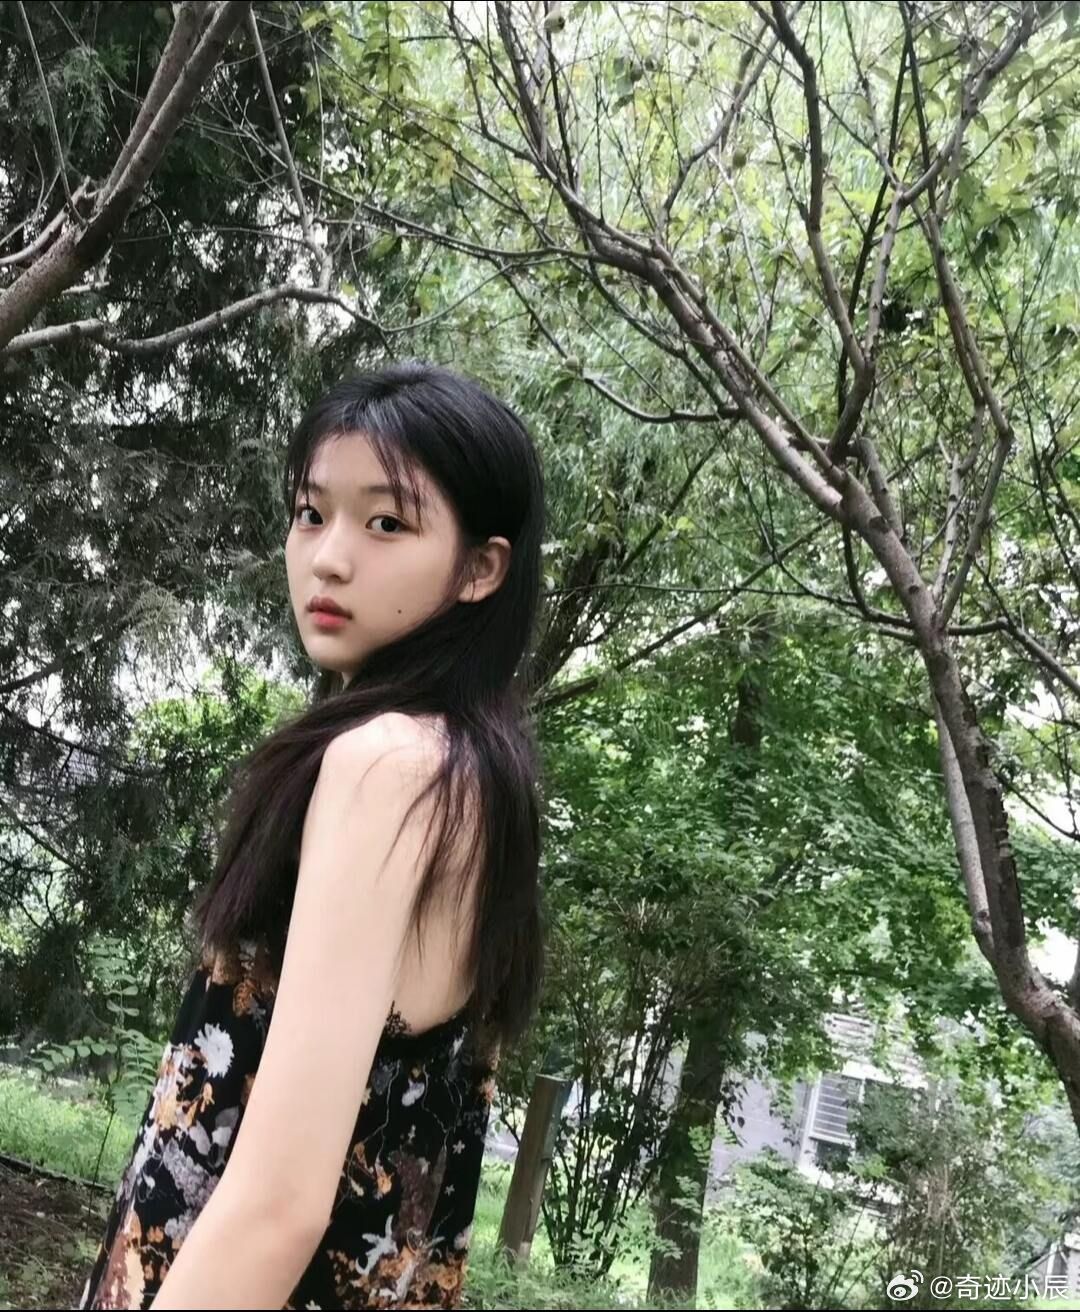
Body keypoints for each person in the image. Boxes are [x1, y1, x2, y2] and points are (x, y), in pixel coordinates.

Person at [77, 361, 547, 1309]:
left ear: (482, 568)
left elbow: (280, 1204)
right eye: (310, 512)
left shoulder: (387, 766)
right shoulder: (477, 774)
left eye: (386, 523)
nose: (328, 558)